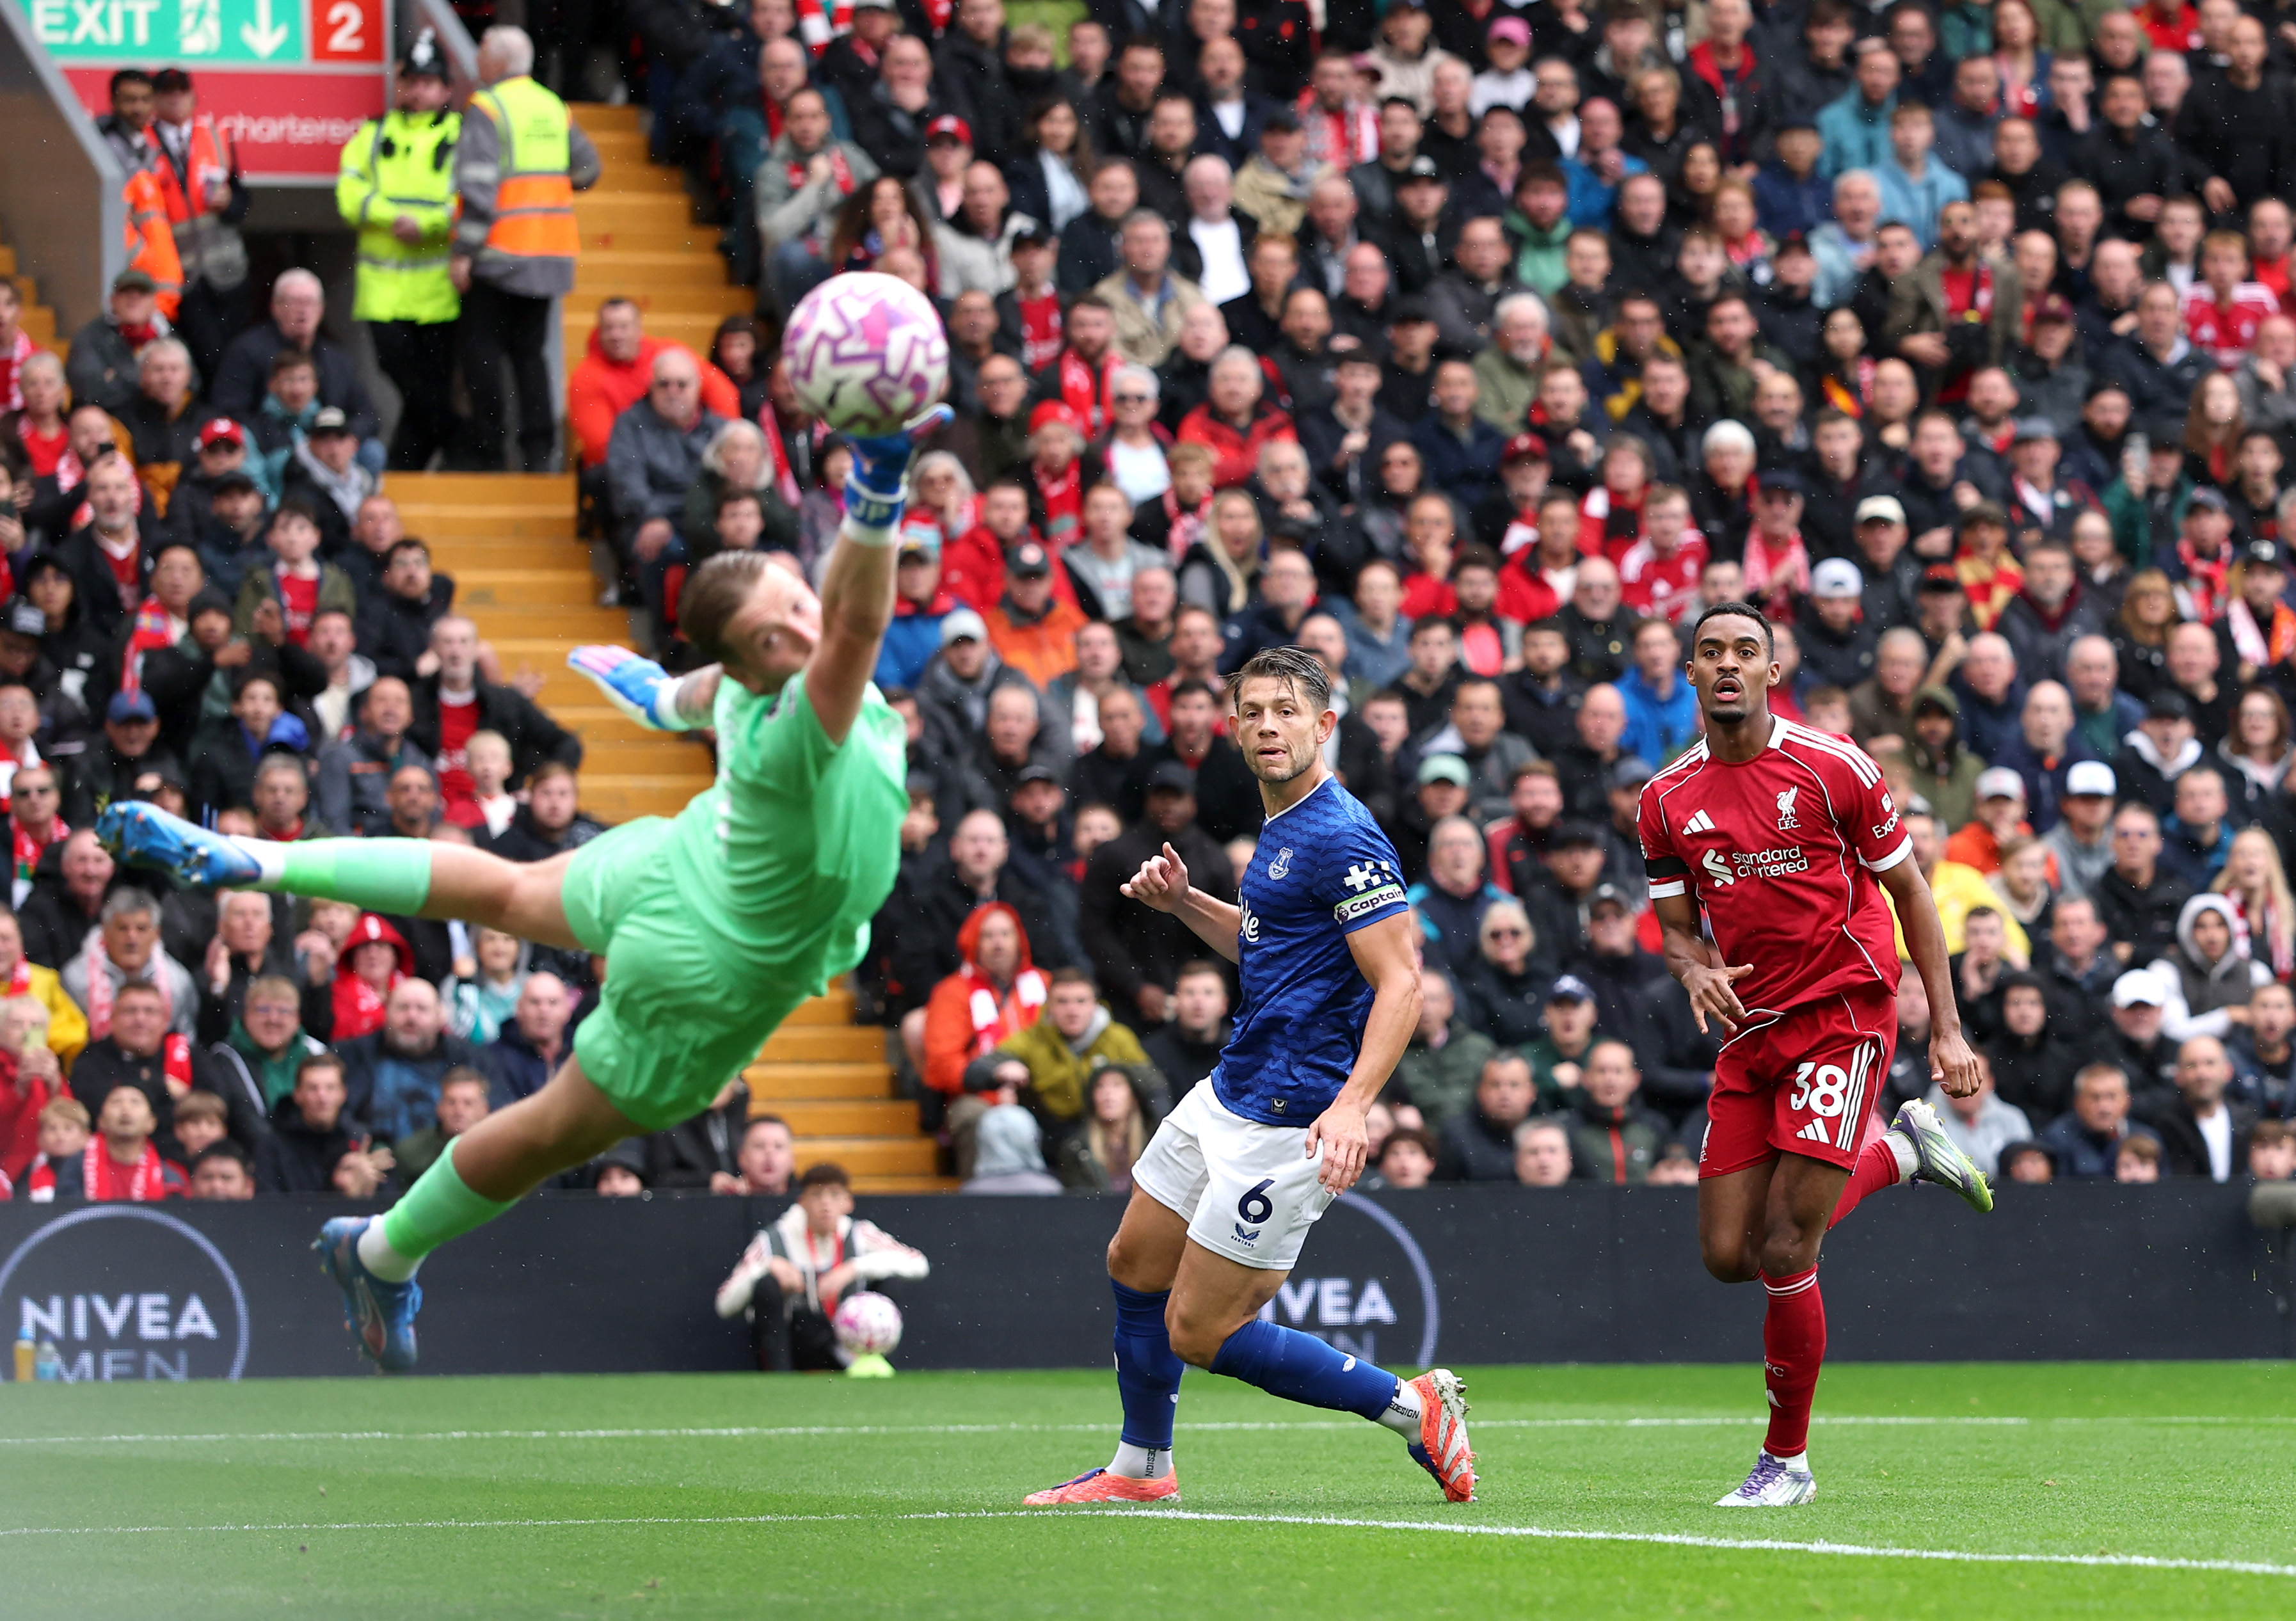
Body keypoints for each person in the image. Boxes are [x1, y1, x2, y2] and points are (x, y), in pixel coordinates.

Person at [101, 394, 954, 1371]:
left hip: (682, 861)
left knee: (505, 893)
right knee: (552, 1130)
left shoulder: (751, 685)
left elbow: (723, 676)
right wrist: (876, 489)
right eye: (774, 635)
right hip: (712, 961)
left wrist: (659, 698)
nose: (800, 633)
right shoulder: (809, 716)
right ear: (751, 662)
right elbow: (856, 619)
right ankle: (381, 1251)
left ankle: (261, 859)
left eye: (795, 606)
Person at [1024, 647, 1473, 1508]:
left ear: (1324, 724)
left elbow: (1403, 983)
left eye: (1287, 710)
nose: (1269, 726)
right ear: (1233, 727)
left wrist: (1353, 1107)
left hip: (1294, 1118)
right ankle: (1141, 1469)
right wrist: (1185, 903)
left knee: (1199, 1330)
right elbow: (1271, 947)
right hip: (1231, 1088)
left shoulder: (1342, 833)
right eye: (1254, 711)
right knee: (1133, 1262)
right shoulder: (1281, 822)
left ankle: (1411, 1406)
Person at [1638, 602, 1991, 1508]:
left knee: (1789, 1242)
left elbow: (1912, 892)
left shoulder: (1835, 766)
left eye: (1745, 651)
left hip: (1843, 1007)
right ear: (1689, 672)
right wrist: (1692, 969)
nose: (1727, 664)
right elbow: (1676, 930)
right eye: (1710, 651)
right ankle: (1902, 1151)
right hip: (1751, 1028)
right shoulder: (1666, 798)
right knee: (1730, 1253)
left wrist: (1946, 1026)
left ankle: (1786, 1462)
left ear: (1772, 670)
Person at [452, 27, 602, 472]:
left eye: (483, 50)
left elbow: (478, 190)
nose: (478, 58)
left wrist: (464, 252)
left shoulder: (488, 107)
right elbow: (588, 169)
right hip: (548, 253)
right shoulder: (552, 105)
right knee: (530, 356)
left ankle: (491, 451)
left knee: (482, 352)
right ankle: (539, 452)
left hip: (498, 253)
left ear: (498, 62)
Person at [336, 34, 463, 472]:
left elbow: (469, 196)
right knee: (405, 377)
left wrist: (427, 223)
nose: (418, 91)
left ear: (446, 89)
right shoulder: (373, 134)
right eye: (412, 81)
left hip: (438, 291)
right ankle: (461, 439)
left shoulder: (461, 135)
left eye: (429, 83)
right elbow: (349, 193)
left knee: (429, 387)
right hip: (383, 290)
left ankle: (403, 469)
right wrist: (393, 217)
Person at [714, 1162, 930, 1370]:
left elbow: (918, 1263)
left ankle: (874, 1368)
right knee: (767, 1286)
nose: (825, 1204)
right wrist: (767, 1267)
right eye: (816, 1195)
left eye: (834, 1195)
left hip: (850, 1340)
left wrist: (853, 1268)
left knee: (890, 1283)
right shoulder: (775, 1238)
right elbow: (724, 1305)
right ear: (802, 1202)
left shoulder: (860, 1233)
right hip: (797, 1340)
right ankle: (780, 1377)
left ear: (848, 1202)